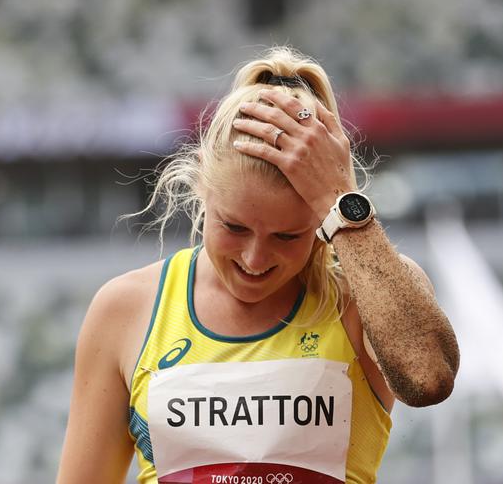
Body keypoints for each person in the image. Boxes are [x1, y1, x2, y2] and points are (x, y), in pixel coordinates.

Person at [56, 46, 460, 484]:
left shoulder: (362, 294)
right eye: (234, 227)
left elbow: (428, 378)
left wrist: (342, 203)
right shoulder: (125, 309)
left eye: (288, 236)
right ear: (201, 193)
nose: (255, 259)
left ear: (319, 218)